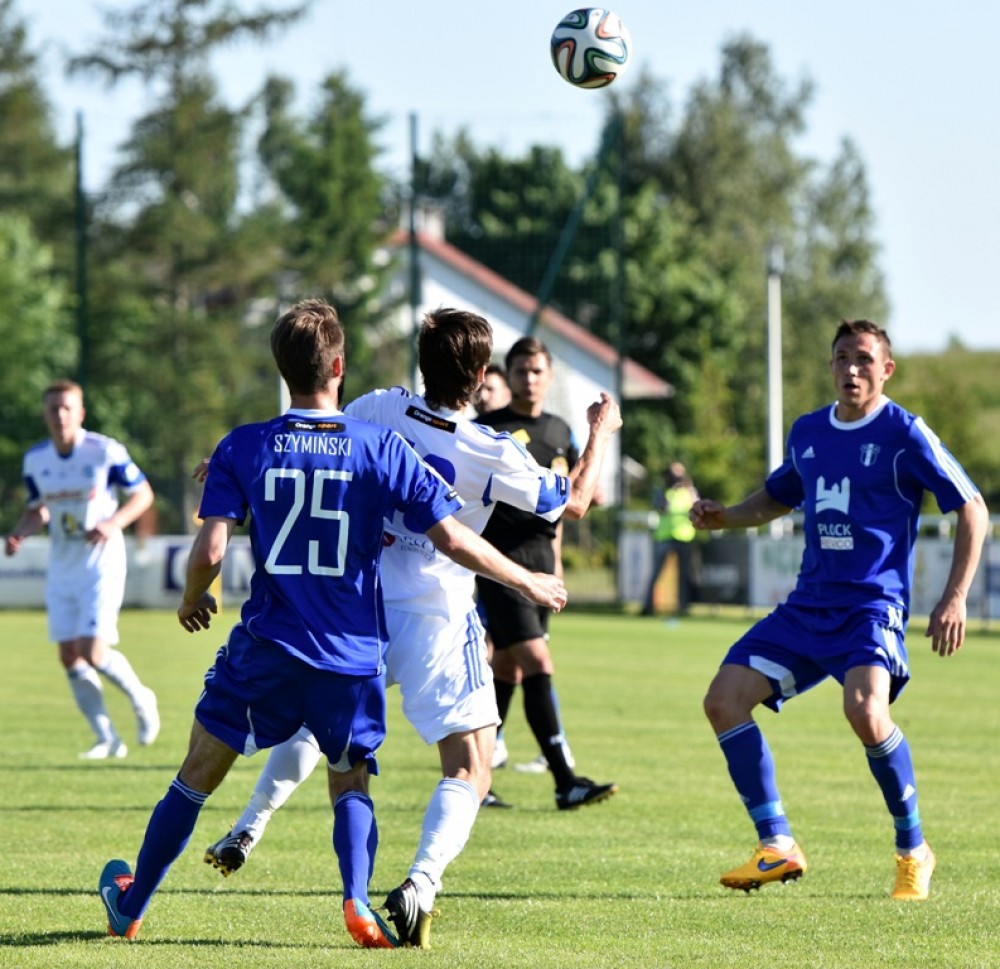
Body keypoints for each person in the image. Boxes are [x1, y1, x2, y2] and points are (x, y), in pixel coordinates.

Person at [96, 299, 567, 948]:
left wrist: (191, 599)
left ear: (280, 367)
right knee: (349, 778)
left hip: (268, 645)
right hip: (349, 654)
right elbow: (454, 538)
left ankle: (133, 904)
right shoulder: (380, 446)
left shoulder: (246, 444)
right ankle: (356, 902)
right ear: (339, 367)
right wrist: (528, 579)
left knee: (197, 773)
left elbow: (210, 551)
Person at [199, 307, 620, 947]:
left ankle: (249, 825)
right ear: (481, 376)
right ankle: (422, 881)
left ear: (423, 366)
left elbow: (313, 435)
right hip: (437, 618)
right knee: (470, 765)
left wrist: (232, 464)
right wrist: (600, 432)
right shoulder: (491, 450)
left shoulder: (377, 408)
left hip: (359, 606)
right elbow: (576, 501)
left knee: (317, 727)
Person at [692, 318, 989, 902]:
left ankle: (913, 850)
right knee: (722, 701)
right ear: (830, 365)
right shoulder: (808, 432)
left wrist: (955, 595)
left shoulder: (905, 433)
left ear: (887, 369)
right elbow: (776, 498)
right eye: (842, 358)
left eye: (864, 359)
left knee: (865, 712)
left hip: (871, 609)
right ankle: (777, 844)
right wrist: (725, 516)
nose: (852, 369)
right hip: (807, 608)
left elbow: (972, 506)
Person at [476, 336, 620, 811]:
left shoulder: (559, 429)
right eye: (521, 370)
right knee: (537, 662)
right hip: (502, 563)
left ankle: (476, 777)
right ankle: (564, 780)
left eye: (537, 370)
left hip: (542, 561)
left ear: (550, 376)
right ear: (509, 375)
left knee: (508, 668)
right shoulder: (489, 429)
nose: (529, 379)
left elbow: (576, 493)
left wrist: (559, 554)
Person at [5, 379, 159, 760]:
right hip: (62, 564)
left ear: (81, 413)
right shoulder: (36, 460)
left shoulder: (104, 451)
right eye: (53, 408)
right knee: (69, 655)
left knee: (92, 650)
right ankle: (107, 738)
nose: (60, 415)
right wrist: (20, 533)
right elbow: (38, 509)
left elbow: (143, 494)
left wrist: (113, 523)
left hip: (101, 563)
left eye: (67, 407)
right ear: (44, 415)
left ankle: (142, 697)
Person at [641, 462, 698, 616]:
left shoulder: (689, 491)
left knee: (684, 575)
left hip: (685, 536)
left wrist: (688, 489)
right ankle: (648, 607)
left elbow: (696, 506)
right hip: (664, 537)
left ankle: (683, 607)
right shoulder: (662, 490)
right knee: (656, 573)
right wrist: (671, 492)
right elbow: (662, 508)